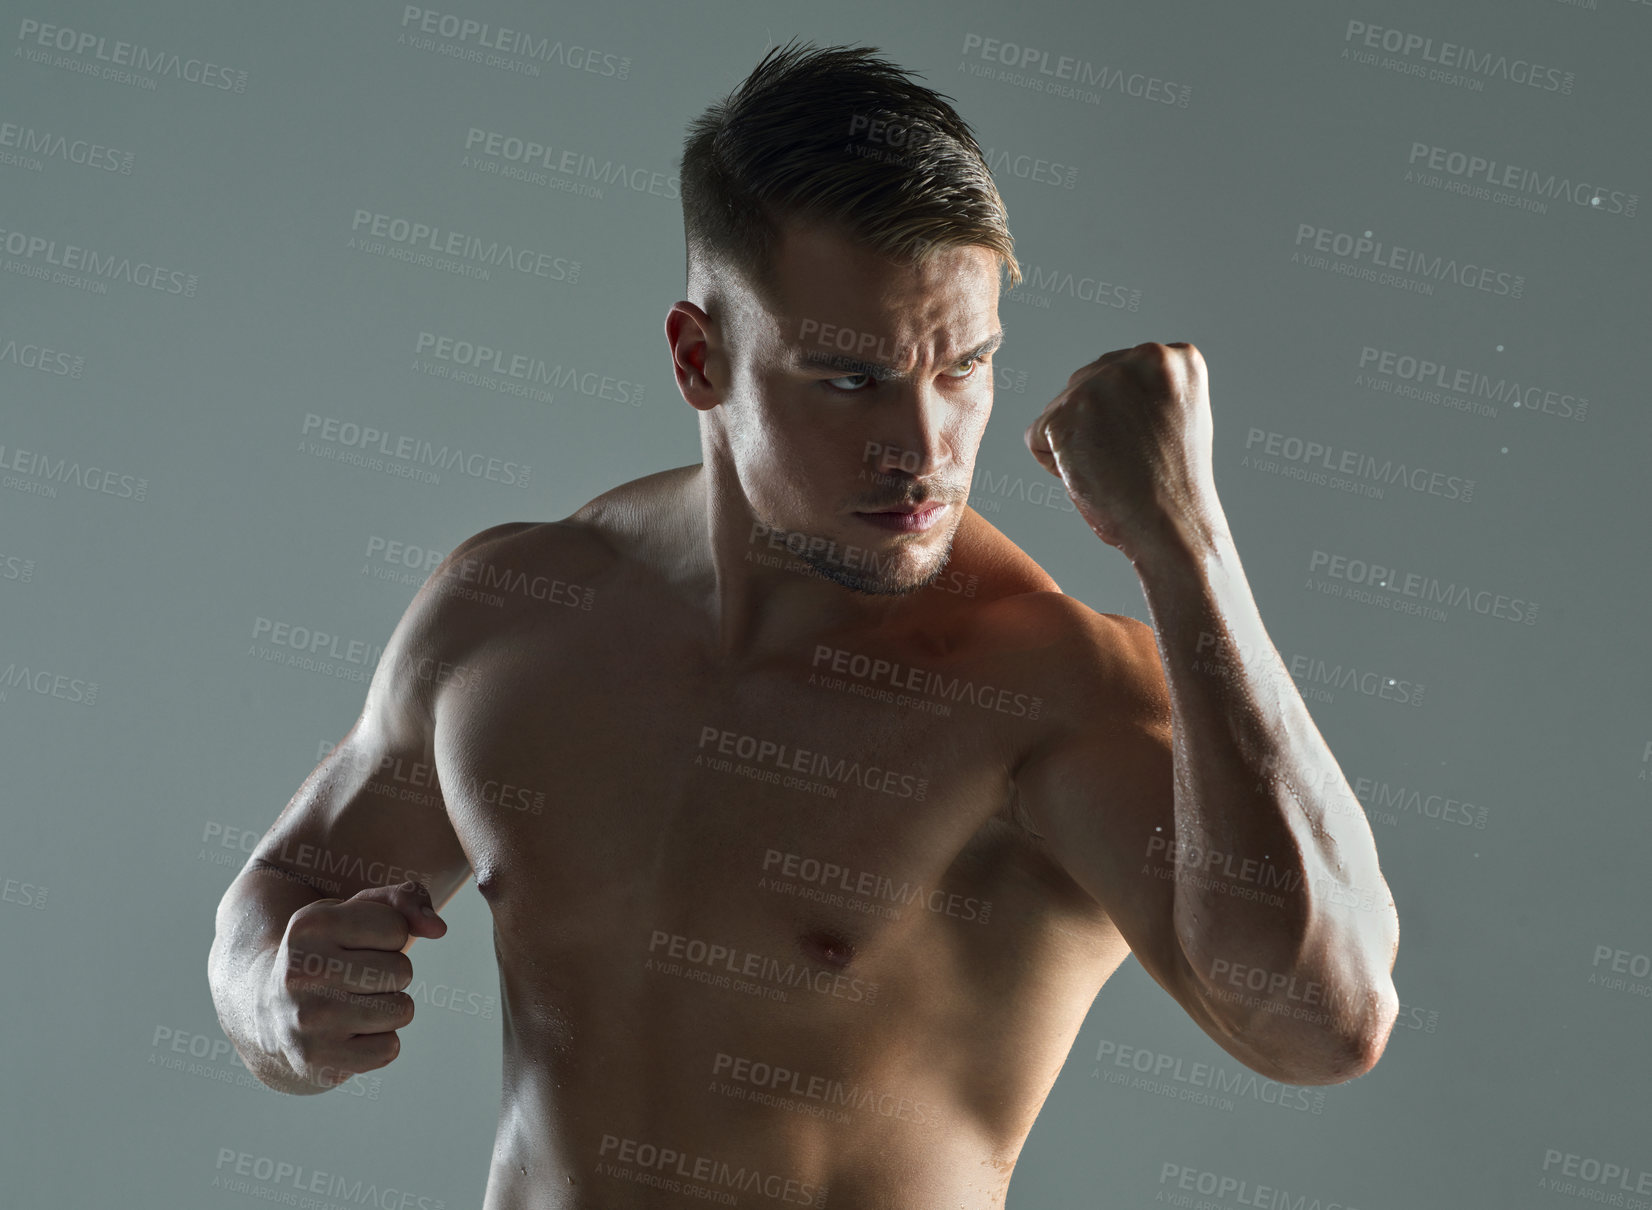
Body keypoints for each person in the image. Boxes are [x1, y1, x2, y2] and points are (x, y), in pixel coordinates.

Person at [209, 39, 1399, 1210]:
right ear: (697, 357)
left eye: (963, 366)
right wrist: (274, 995)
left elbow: (1323, 1024)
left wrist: (1187, 547)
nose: (923, 446)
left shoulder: (1044, 686)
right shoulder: (519, 611)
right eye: (848, 378)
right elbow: (280, 893)